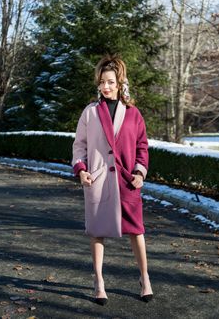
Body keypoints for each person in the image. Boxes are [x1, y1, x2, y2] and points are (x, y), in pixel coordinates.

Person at [72, 54, 153, 305]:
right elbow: (79, 145)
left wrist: (139, 172)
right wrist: (81, 169)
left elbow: (142, 146)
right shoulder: (90, 113)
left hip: (127, 181)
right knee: (97, 232)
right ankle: (99, 282)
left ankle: (145, 278)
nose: (105, 87)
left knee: (136, 231)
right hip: (97, 180)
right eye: (101, 82)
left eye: (110, 82)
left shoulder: (133, 113)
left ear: (119, 83)